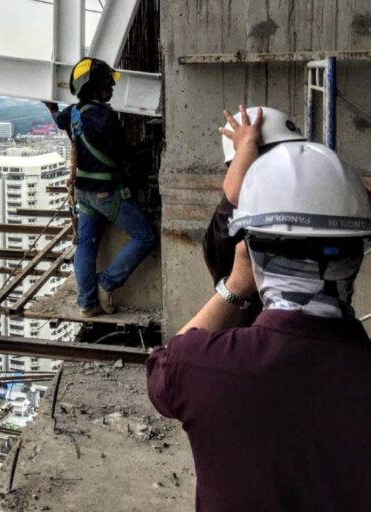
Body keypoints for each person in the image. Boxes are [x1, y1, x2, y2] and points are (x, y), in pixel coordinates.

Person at [147, 142, 371, 511]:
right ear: (355, 258)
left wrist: (234, 287)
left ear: (251, 254)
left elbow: (161, 371)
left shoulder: (198, 366)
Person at [45, 57, 157, 317]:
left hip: (83, 193)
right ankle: (106, 283)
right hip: (108, 194)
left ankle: (86, 303)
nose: (111, 89)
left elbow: (58, 119)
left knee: (85, 245)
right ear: (94, 88)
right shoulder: (105, 117)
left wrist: (50, 106)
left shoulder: (72, 113)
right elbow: (125, 155)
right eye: (107, 85)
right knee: (144, 236)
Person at [202, 105, 304, 286]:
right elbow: (237, 195)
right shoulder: (229, 219)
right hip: (252, 311)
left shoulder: (292, 198)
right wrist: (247, 143)